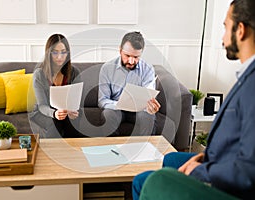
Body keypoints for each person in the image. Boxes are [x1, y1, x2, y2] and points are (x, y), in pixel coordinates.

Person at [132, 0, 255, 199]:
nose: (223, 38)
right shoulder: (248, 74)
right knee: (172, 159)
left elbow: (247, 172)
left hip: (234, 189)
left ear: (240, 30)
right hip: (221, 162)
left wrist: (199, 170)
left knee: (148, 180)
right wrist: (203, 157)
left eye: (226, 27)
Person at [98, 31, 161, 136]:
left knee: (148, 116)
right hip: (116, 109)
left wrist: (151, 107)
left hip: (139, 110)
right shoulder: (107, 68)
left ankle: (144, 150)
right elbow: (102, 100)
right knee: (108, 114)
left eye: (136, 57)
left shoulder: (148, 69)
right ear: (120, 50)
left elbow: (148, 96)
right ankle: (112, 150)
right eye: (127, 55)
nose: (131, 61)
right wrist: (118, 105)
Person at [29, 33, 81, 138]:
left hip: (66, 111)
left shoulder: (74, 72)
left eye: (63, 52)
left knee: (72, 124)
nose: (59, 57)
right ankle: (52, 153)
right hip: (43, 112)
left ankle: (77, 151)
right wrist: (54, 113)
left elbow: (78, 101)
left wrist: (74, 112)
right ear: (49, 53)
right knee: (55, 123)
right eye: (55, 53)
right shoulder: (39, 74)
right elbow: (42, 105)